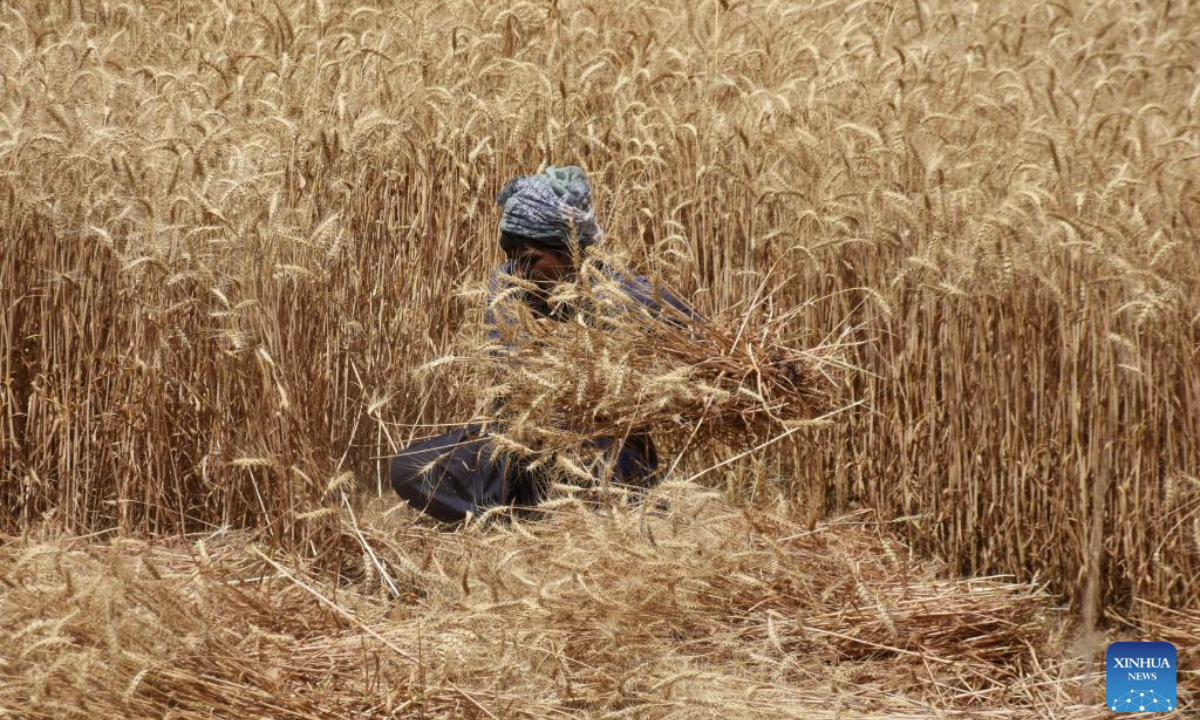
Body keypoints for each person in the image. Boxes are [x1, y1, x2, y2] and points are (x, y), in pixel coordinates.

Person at [389, 166, 697, 523]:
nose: (518, 271)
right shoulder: (507, 285)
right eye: (512, 256)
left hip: (600, 450)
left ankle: (583, 516)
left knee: (595, 468)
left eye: (531, 259)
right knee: (409, 469)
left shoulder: (628, 294)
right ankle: (514, 523)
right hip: (520, 445)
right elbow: (507, 376)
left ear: (570, 250)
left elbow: (705, 350)